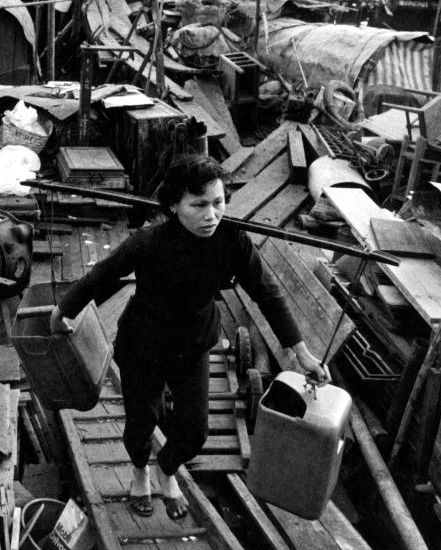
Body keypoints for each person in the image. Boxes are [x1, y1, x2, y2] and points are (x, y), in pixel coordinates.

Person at [49, 154, 328, 520]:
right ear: (173, 206)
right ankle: (139, 474)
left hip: (193, 347)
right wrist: (61, 313)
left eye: (218, 202)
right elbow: (98, 277)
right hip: (142, 347)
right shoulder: (148, 243)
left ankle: (166, 471)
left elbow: (268, 293)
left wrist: (301, 352)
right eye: (198, 205)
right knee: (140, 424)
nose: (211, 215)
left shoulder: (232, 240)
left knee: (196, 431)